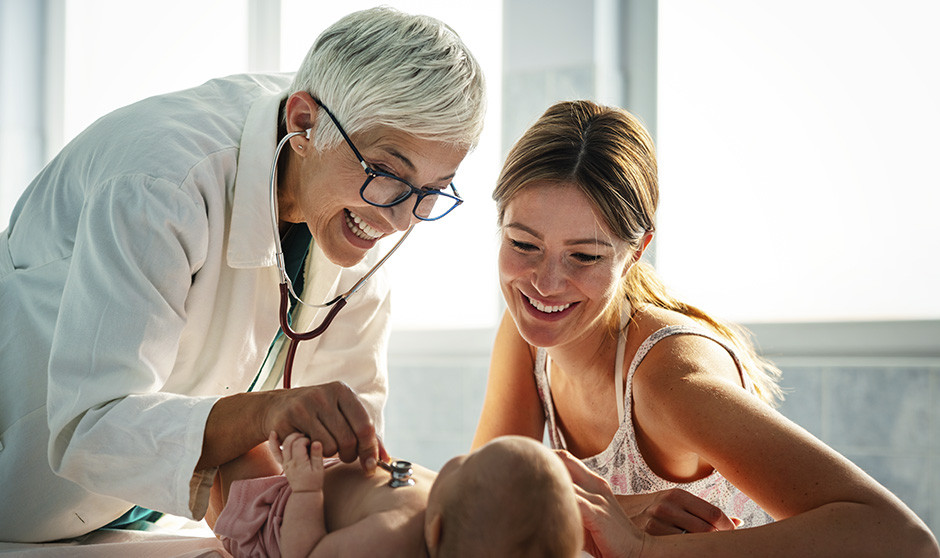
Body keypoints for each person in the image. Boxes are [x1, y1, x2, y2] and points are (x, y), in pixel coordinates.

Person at [0, 7, 485, 542]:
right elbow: (86, 430)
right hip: (32, 479)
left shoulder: (355, 192)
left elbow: (343, 438)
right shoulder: (161, 182)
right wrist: (265, 414)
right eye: (387, 174)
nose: (398, 219)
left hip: (146, 503)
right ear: (305, 124)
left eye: (433, 190)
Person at [472, 100, 940, 556]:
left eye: (585, 256)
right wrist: (612, 512)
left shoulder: (667, 382)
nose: (546, 284)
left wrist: (642, 549)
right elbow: (480, 508)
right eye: (523, 244)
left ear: (635, 252)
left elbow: (904, 539)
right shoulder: (526, 338)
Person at [210, 433, 583, 558]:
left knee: (235, 450)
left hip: (278, 520)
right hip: (313, 477)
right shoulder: (452, 506)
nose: (456, 460)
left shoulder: (390, 539)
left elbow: (306, 555)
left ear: (435, 532)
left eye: (467, 464)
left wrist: (307, 489)